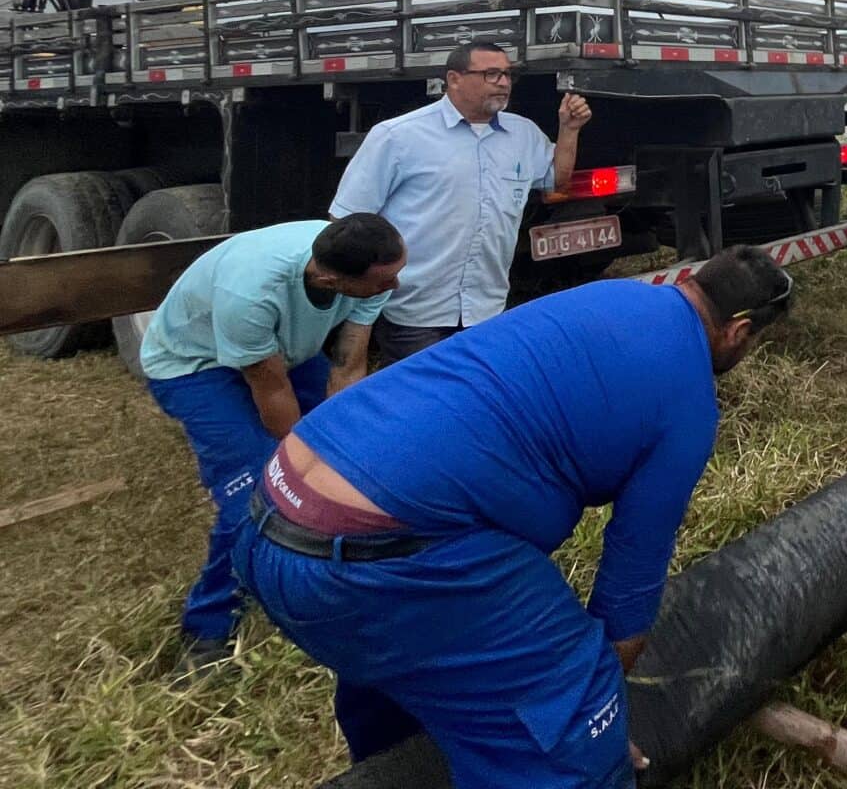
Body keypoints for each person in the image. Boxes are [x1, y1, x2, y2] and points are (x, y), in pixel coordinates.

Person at [232, 247, 791, 788]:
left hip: (274, 517)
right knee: (573, 693)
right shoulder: (689, 401)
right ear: (739, 330)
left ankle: (396, 764)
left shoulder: (612, 297)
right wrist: (585, 719)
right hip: (372, 564)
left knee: (407, 662)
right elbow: (630, 582)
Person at [138, 213, 405, 674]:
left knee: (356, 453)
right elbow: (272, 391)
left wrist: (340, 450)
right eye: (388, 279)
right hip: (194, 364)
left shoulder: (367, 267)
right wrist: (303, 467)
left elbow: (348, 366)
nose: (397, 286)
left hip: (281, 351)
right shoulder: (252, 293)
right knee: (260, 493)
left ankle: (333, 579)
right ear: (329, 278)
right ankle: (207, 630)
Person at [330, 39, 592, 360]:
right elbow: (346, 222)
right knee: (426, 402)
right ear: (454, 79)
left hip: (486, 307)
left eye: (508, 75)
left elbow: (557, 180)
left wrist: (569, 129)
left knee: (477, 400)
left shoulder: (523, 134)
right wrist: (364, 298)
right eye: (491, 74)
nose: (503, 83)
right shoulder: (397, 136)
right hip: (415, 311)